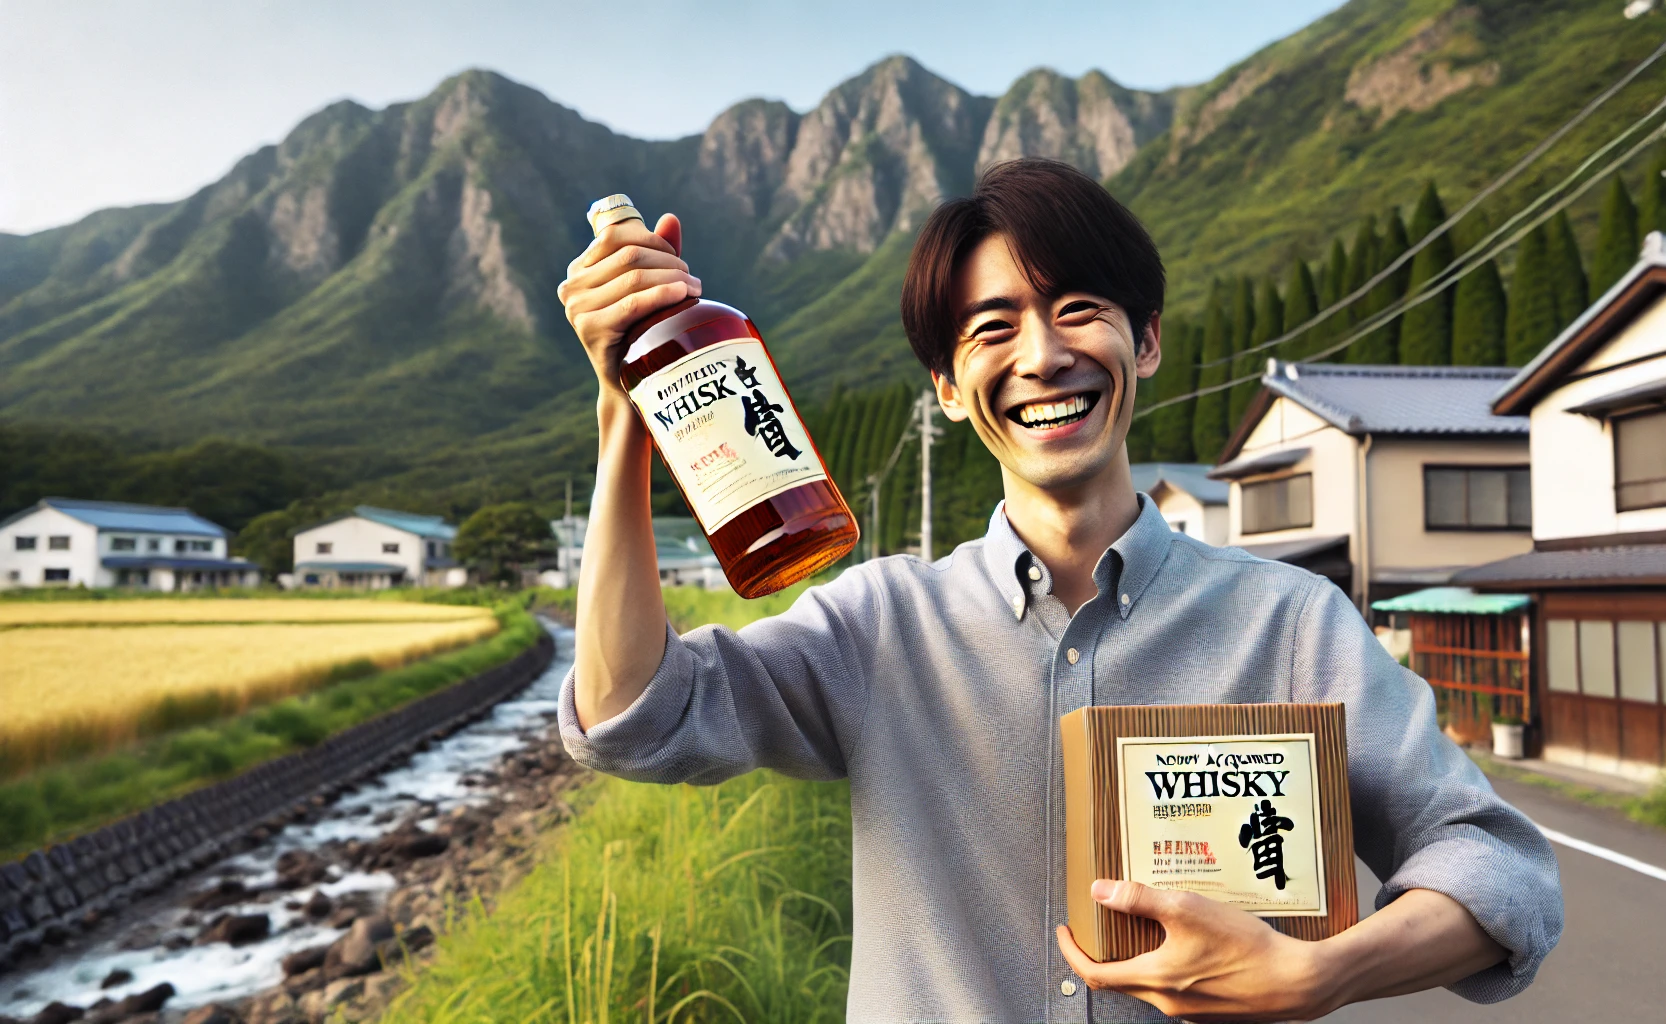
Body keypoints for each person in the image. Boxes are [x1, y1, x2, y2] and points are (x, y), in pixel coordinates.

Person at [554, 158, 1562, 1022]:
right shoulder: (878, 628)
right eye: (991, 329)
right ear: (947, 389)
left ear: (1148, 341)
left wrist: (1321, 973)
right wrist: (622, 408)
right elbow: (636, 715)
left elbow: (1500, 867)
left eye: (1079, 308)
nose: (1042, 356)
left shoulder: (1291, 624)